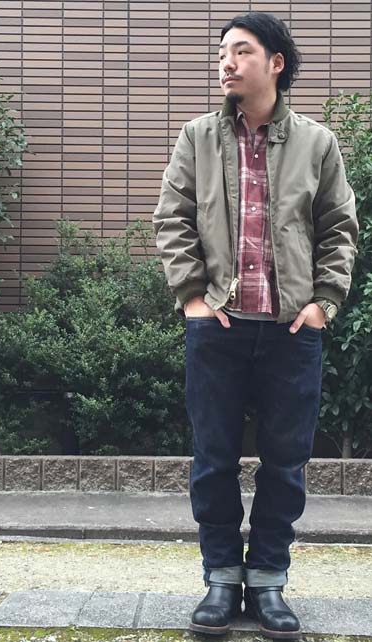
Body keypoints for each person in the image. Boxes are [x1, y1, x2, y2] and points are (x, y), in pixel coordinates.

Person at [152, 11, 358, 642]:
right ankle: (220, 578)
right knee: (213, 459)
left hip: (292, 331)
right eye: (222, 52)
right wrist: (192, 297)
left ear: (275, 62)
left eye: (241, 51)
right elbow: (172, 219)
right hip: (216, 326)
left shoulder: (317, 144)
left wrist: (322, 302)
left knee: (286, 463)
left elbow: (339, 229)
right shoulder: (196, 137)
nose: (226, 62)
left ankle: (268, 580)